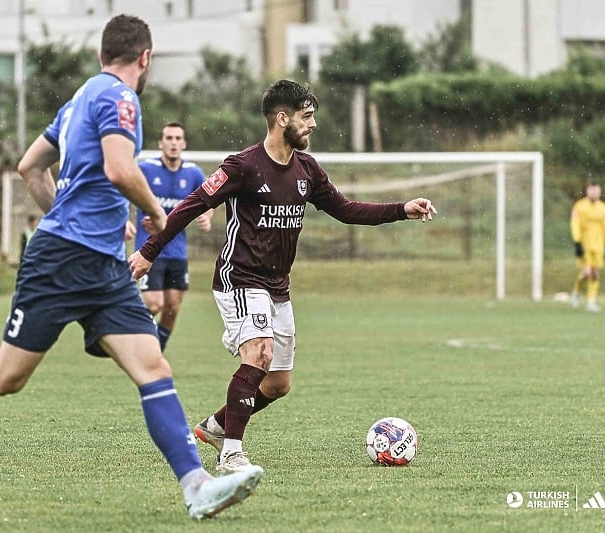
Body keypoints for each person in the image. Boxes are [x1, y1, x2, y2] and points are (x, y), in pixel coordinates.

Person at [0, 14, 262, 520]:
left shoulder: (80, 98)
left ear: (102, 54)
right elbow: (119, 167)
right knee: (4, 377)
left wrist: (73, 215)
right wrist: (155, 211)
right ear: (145, 58)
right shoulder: (120, 98)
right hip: (62, 261)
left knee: (153, 367)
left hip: (101, 265)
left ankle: (196, 485)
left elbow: (30, 167)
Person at [128, 79, 437, 473]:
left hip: (278, 288)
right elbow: (191, 206)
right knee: (259, 352)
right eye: (306, 117)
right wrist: (148, 252)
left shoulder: (307, 169)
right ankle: (232, 455)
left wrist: (401, 209)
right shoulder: (242, 166)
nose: (312, 125)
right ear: (281, 118)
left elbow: (346, 209)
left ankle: (220, 426)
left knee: (277, 384)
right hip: (238, 279)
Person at [133, 122, 213, 352]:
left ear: (184, 144)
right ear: (161, 143)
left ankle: (155, 352)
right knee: (154, 303)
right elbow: (121, 192)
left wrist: (207, 216)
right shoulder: (146, 169)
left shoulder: (193, 173)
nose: (173, 143)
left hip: (177, 252)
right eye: (169, 138)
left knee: (172, 309)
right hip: (149, 250)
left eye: (178, 138)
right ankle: (136, 342)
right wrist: (127, 222)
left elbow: (211, 198)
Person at [570, 182, 605, 313]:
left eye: (596, 191)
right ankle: (577, 292)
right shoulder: (579, 206)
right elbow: (575, 224)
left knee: (595, 273)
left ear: (599, 192)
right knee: (587, 272)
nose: (594, 193)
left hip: (598, 245)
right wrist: (577, 242)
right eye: (592, 191)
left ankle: (590, 302)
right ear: (587, 191)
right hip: (585, 243)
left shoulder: (603, 207)